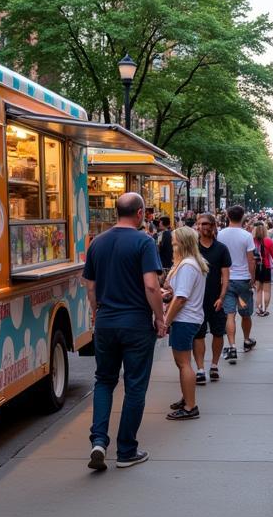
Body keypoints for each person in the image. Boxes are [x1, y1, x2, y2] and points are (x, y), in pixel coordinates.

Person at [83, 192, 165, 471]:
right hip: (136, 324)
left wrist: (97, 315)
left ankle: (98, 440)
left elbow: (90, 287)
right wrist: (160, 318)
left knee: (104, 381)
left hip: (106, 320)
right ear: (140, 213)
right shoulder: (144, 242)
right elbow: (152, 286)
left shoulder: (97, 243)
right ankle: (126, 450)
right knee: (135, 386)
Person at [164, 228, 209, 421]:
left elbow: (181, 297)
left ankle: (190, 406)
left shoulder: (188, 265)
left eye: (174, 242)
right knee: (182, 363)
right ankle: (187, 398)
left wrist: (166, 321)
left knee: (183, 363)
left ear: (183, 243)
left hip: (185, 319)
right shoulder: (190, 264)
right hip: (188, 318)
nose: (172, 246)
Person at [193, 213, 231, 383]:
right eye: (201, 224)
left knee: (218, 333)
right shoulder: (192, 248)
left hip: (215, 298)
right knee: (198, 335)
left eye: (207, 224)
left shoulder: (221, 249)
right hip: (196, 300)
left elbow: (225, 276)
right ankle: (200, 368)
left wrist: (222, 297)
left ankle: (214, 365)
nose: (204, 227)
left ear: (214, 225)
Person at [218, 205, 257, 364]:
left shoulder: (220, 235)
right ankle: (247, 339)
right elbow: (251, 260)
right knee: (245, 313)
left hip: (226, 281)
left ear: (227, 216)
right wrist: (252, 278)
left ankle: (232, 345)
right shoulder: (246, 236)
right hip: (242, 281)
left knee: (230, 314)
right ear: (243, 217)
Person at [253, 221, 273, 317]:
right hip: (266, 267)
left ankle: (259, 309)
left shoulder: (252, 240)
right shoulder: (268, 241)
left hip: (256, 267)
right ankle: (264, 309)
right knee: (267, 291)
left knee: (258, 290)